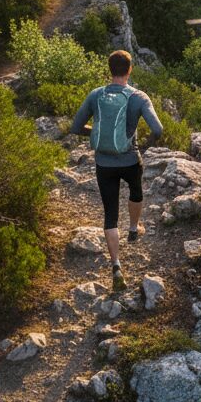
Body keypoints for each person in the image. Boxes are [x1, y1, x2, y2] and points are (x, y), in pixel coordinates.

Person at [70, 49, 163, 289]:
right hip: (130, 159)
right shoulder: (139, 97)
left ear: (110, 69)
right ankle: (133, 228)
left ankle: (116, 267)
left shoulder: (95, 95)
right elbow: (158, 129)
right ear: (130, 69)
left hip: (104, 162)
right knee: (136, 191)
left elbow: (75, 126)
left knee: (110, 214)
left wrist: (96, 133)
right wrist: (141, 145)